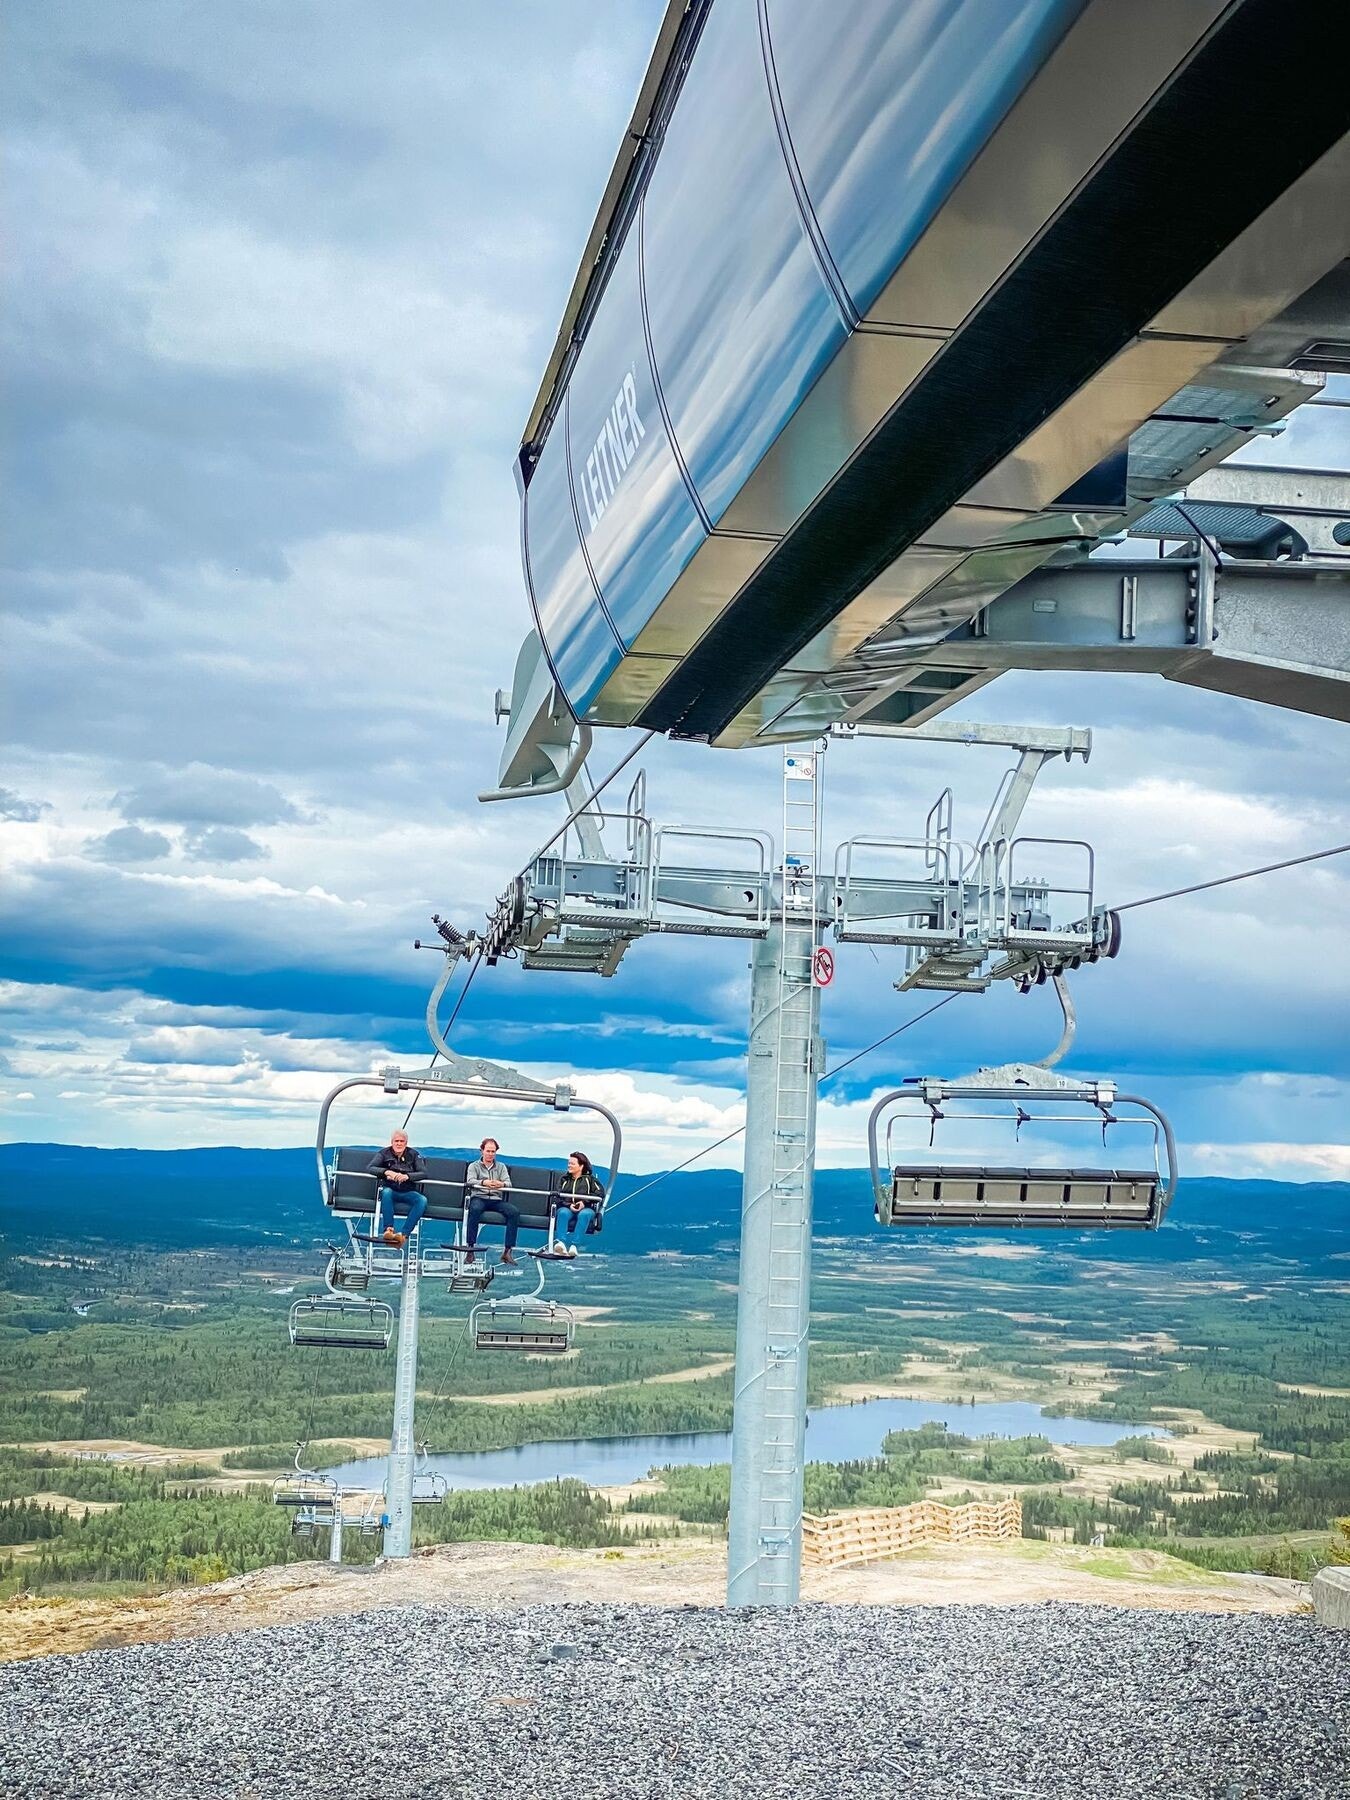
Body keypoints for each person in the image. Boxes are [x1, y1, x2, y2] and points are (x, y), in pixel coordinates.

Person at [464, 1137, 520, 1266]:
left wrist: (500, 1184)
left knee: (514, 1212)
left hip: (495, 1199)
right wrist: (484, 1183)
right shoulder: (474, 1166)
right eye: (488, 1151)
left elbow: (508, 1184)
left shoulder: (501, 1167)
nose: (490, 1154)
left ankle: (507, 1251)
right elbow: (470, 1181)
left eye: (493, 1151)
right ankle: (470, 1248)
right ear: (482, 1151)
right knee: (475, 1209)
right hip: (479, 1197)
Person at [367, 1129, 427, 1247]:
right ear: (392, 1142)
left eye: (401, 1141)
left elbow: (424, 1173)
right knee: (386, 1192)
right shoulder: (384, 1153)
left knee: (422, 1200)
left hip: (408, 1190)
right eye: (396, 1141)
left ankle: (403, 1236)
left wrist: (407, 1176)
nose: (399, 1144)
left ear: (406, 1143)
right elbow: (370, 1168)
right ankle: (388, 1230)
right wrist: (387, 1172)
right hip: (390, 1189)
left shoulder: (414, 1155)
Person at [551, 1151, 605, 1255]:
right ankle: (561, 1243)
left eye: (572, 1164)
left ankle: (574, 1245)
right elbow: (557, 1195)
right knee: (562, 1213)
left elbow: (599, 1194)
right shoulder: (564, 1180)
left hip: (586, 1208)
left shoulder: (591, 1180)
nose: (569, 1166)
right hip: (567, 1207)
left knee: (584, 1214)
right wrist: (569, 1205)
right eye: (569, 1163)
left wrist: (584, 1202)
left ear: (581, 1166)